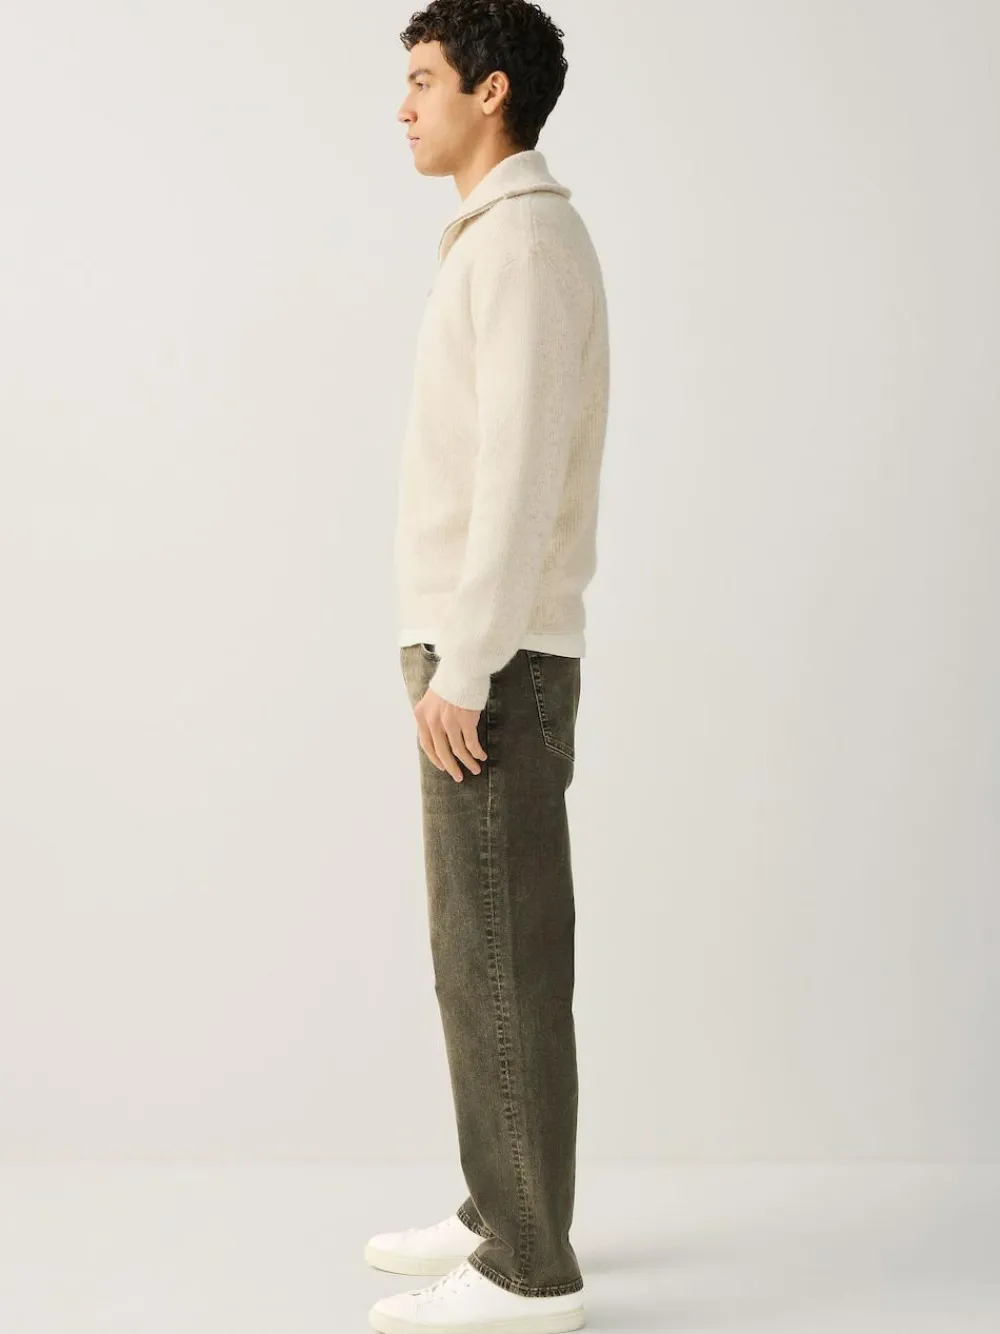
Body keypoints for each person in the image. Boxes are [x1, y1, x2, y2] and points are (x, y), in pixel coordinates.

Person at [367, 3, 609, 1330]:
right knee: (482, 957)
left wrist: (461, 665)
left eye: (423, 79)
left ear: (491, 91)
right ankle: (499, 1207)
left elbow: (518, 474)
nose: (403, 106)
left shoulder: (519, 241)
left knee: (499, 964)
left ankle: (528, 1270)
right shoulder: (496, 237)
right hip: (482, 650)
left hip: (492, 660)